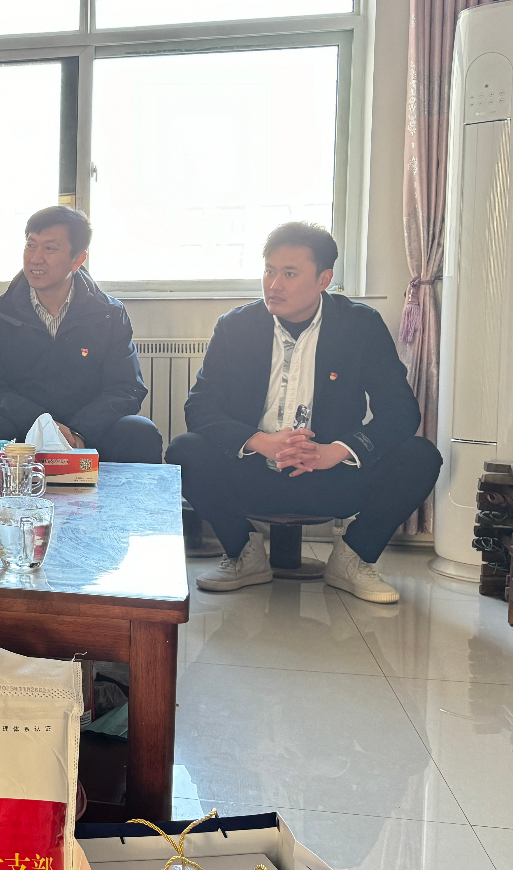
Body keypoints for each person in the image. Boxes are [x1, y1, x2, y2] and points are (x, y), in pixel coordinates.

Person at [166, 221, 443, 603]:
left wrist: (337, 451)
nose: (274, 284)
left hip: (330, 475)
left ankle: (354, 557)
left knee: (420, 456)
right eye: (269, 271)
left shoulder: (360, 326)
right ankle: (243, 554)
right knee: (183, 451)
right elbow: (200, 406)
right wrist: (259, 441)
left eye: (289, 274)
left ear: (323, 279)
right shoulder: (235, 327)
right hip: (253, 471)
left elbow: (400, 411)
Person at [0, 206, 161, 462]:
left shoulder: (109, 314)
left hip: (90, 432)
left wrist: (79, 431)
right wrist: (45, 426)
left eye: (49, 248)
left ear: (77, 260)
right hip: (26, 429)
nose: (35, 259)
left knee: (139, 431)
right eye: (31, 245)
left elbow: (126, 388)